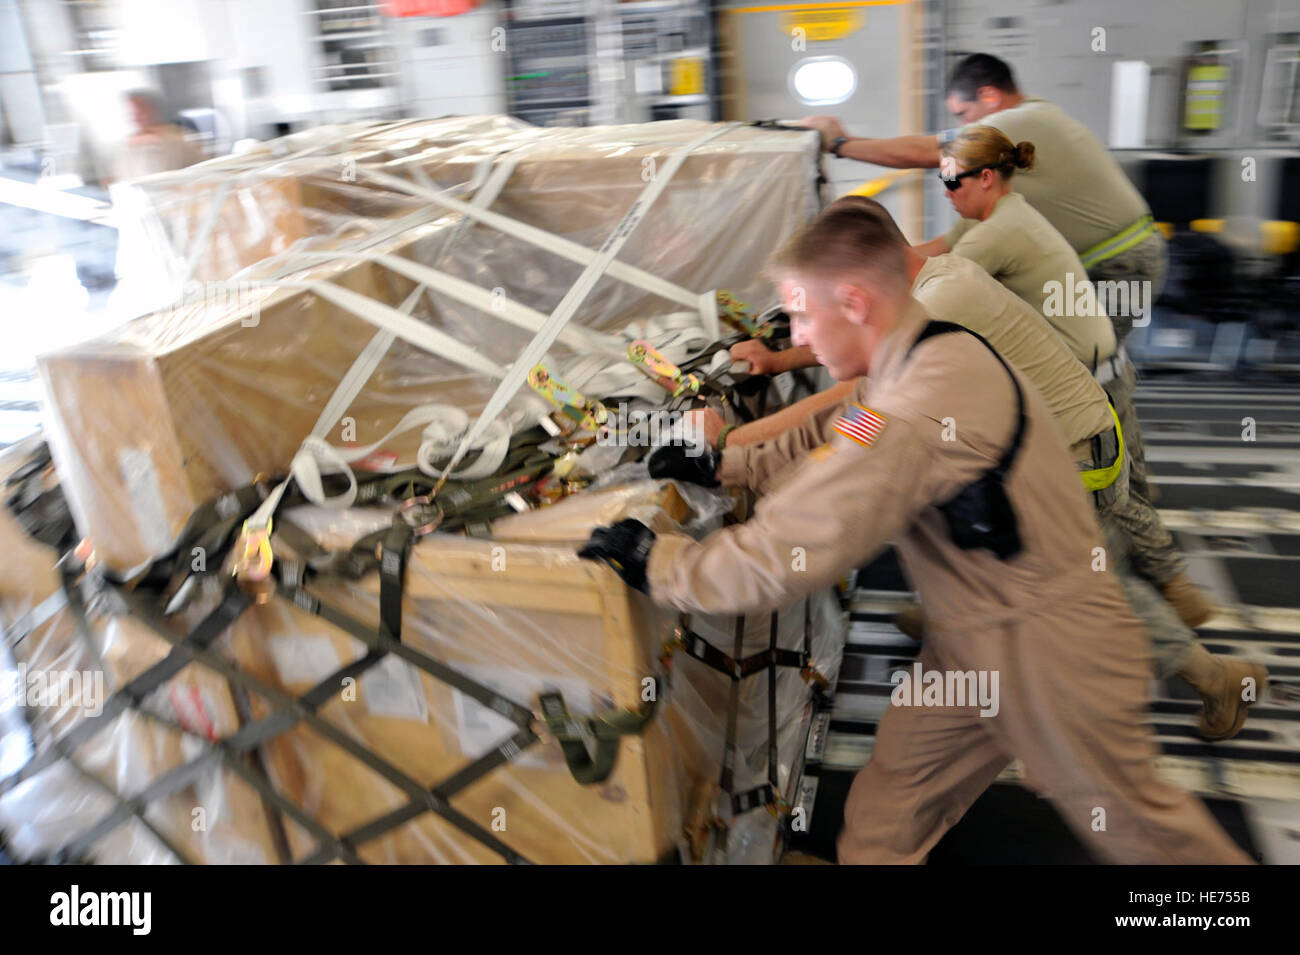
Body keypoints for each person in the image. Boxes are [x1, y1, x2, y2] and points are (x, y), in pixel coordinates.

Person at [578, 203, 1254, 862]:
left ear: (854, 301)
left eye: (803, 313)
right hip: (973, 637)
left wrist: (657, 560)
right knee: (895, 797)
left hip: (1049, 648)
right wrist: (728, 462)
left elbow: (781, 555)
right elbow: (845, 428)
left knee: (1145, 833)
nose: (800, 335)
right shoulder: (924, 354)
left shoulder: (917, 405)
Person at [691, 196, 1265, 740]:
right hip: (1063, 435)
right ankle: (959, 623)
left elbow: (850, 402)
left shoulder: (940, 304)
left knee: (1085, 594)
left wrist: (733, 444)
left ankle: (1219, 680)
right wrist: (778, 363)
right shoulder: (936, 281)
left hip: (1074, 456)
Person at [801, 52, 1166, 345]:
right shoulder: (1004, 179)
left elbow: (926, 151)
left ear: (989, 95)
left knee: (1085, 367)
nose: (964, 127)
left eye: (963, 115)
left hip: (1121, 265)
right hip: (1114, 261)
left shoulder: (1023, 121)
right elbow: (945, 245)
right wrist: (872, 270)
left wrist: (840, 144)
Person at [112, 89, 202, 185]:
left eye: (140, 110)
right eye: (132, 113)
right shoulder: (127, 145)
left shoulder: (176, 140)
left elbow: (201, 172)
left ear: (153, 110)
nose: (136, 116)